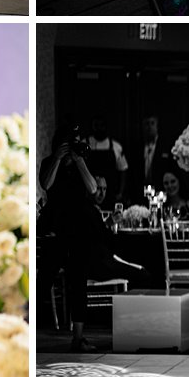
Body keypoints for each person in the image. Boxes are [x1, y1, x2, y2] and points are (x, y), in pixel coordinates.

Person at [39, 120, 125, 349]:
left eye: (77, 142)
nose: (75, 146)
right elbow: (46, 185)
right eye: (71, 143)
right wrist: (58, 158)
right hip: (56, 227)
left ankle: (78, 337)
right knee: (43, 279)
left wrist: (79, 161)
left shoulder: (83, 164)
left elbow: (93, 188)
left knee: (78, 282)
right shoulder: (48, 162)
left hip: (79, 228)